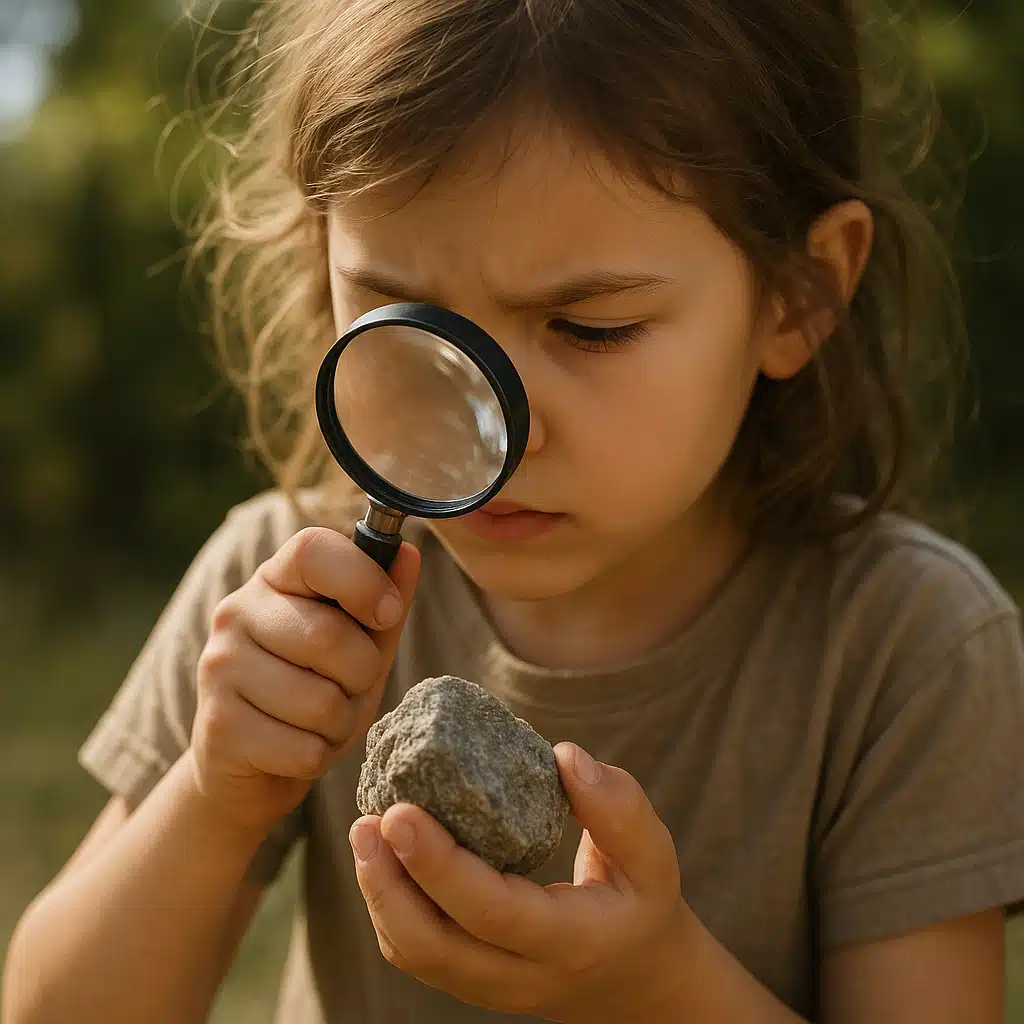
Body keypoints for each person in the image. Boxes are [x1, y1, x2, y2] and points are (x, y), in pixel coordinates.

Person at [4, 0, 1023, 1021]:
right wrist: (213, 798)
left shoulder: (909, 652)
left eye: (589, 327)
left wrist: (659, 988)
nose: (492, 429)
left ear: (798, 294)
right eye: (403, 317)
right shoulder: (285, 596)